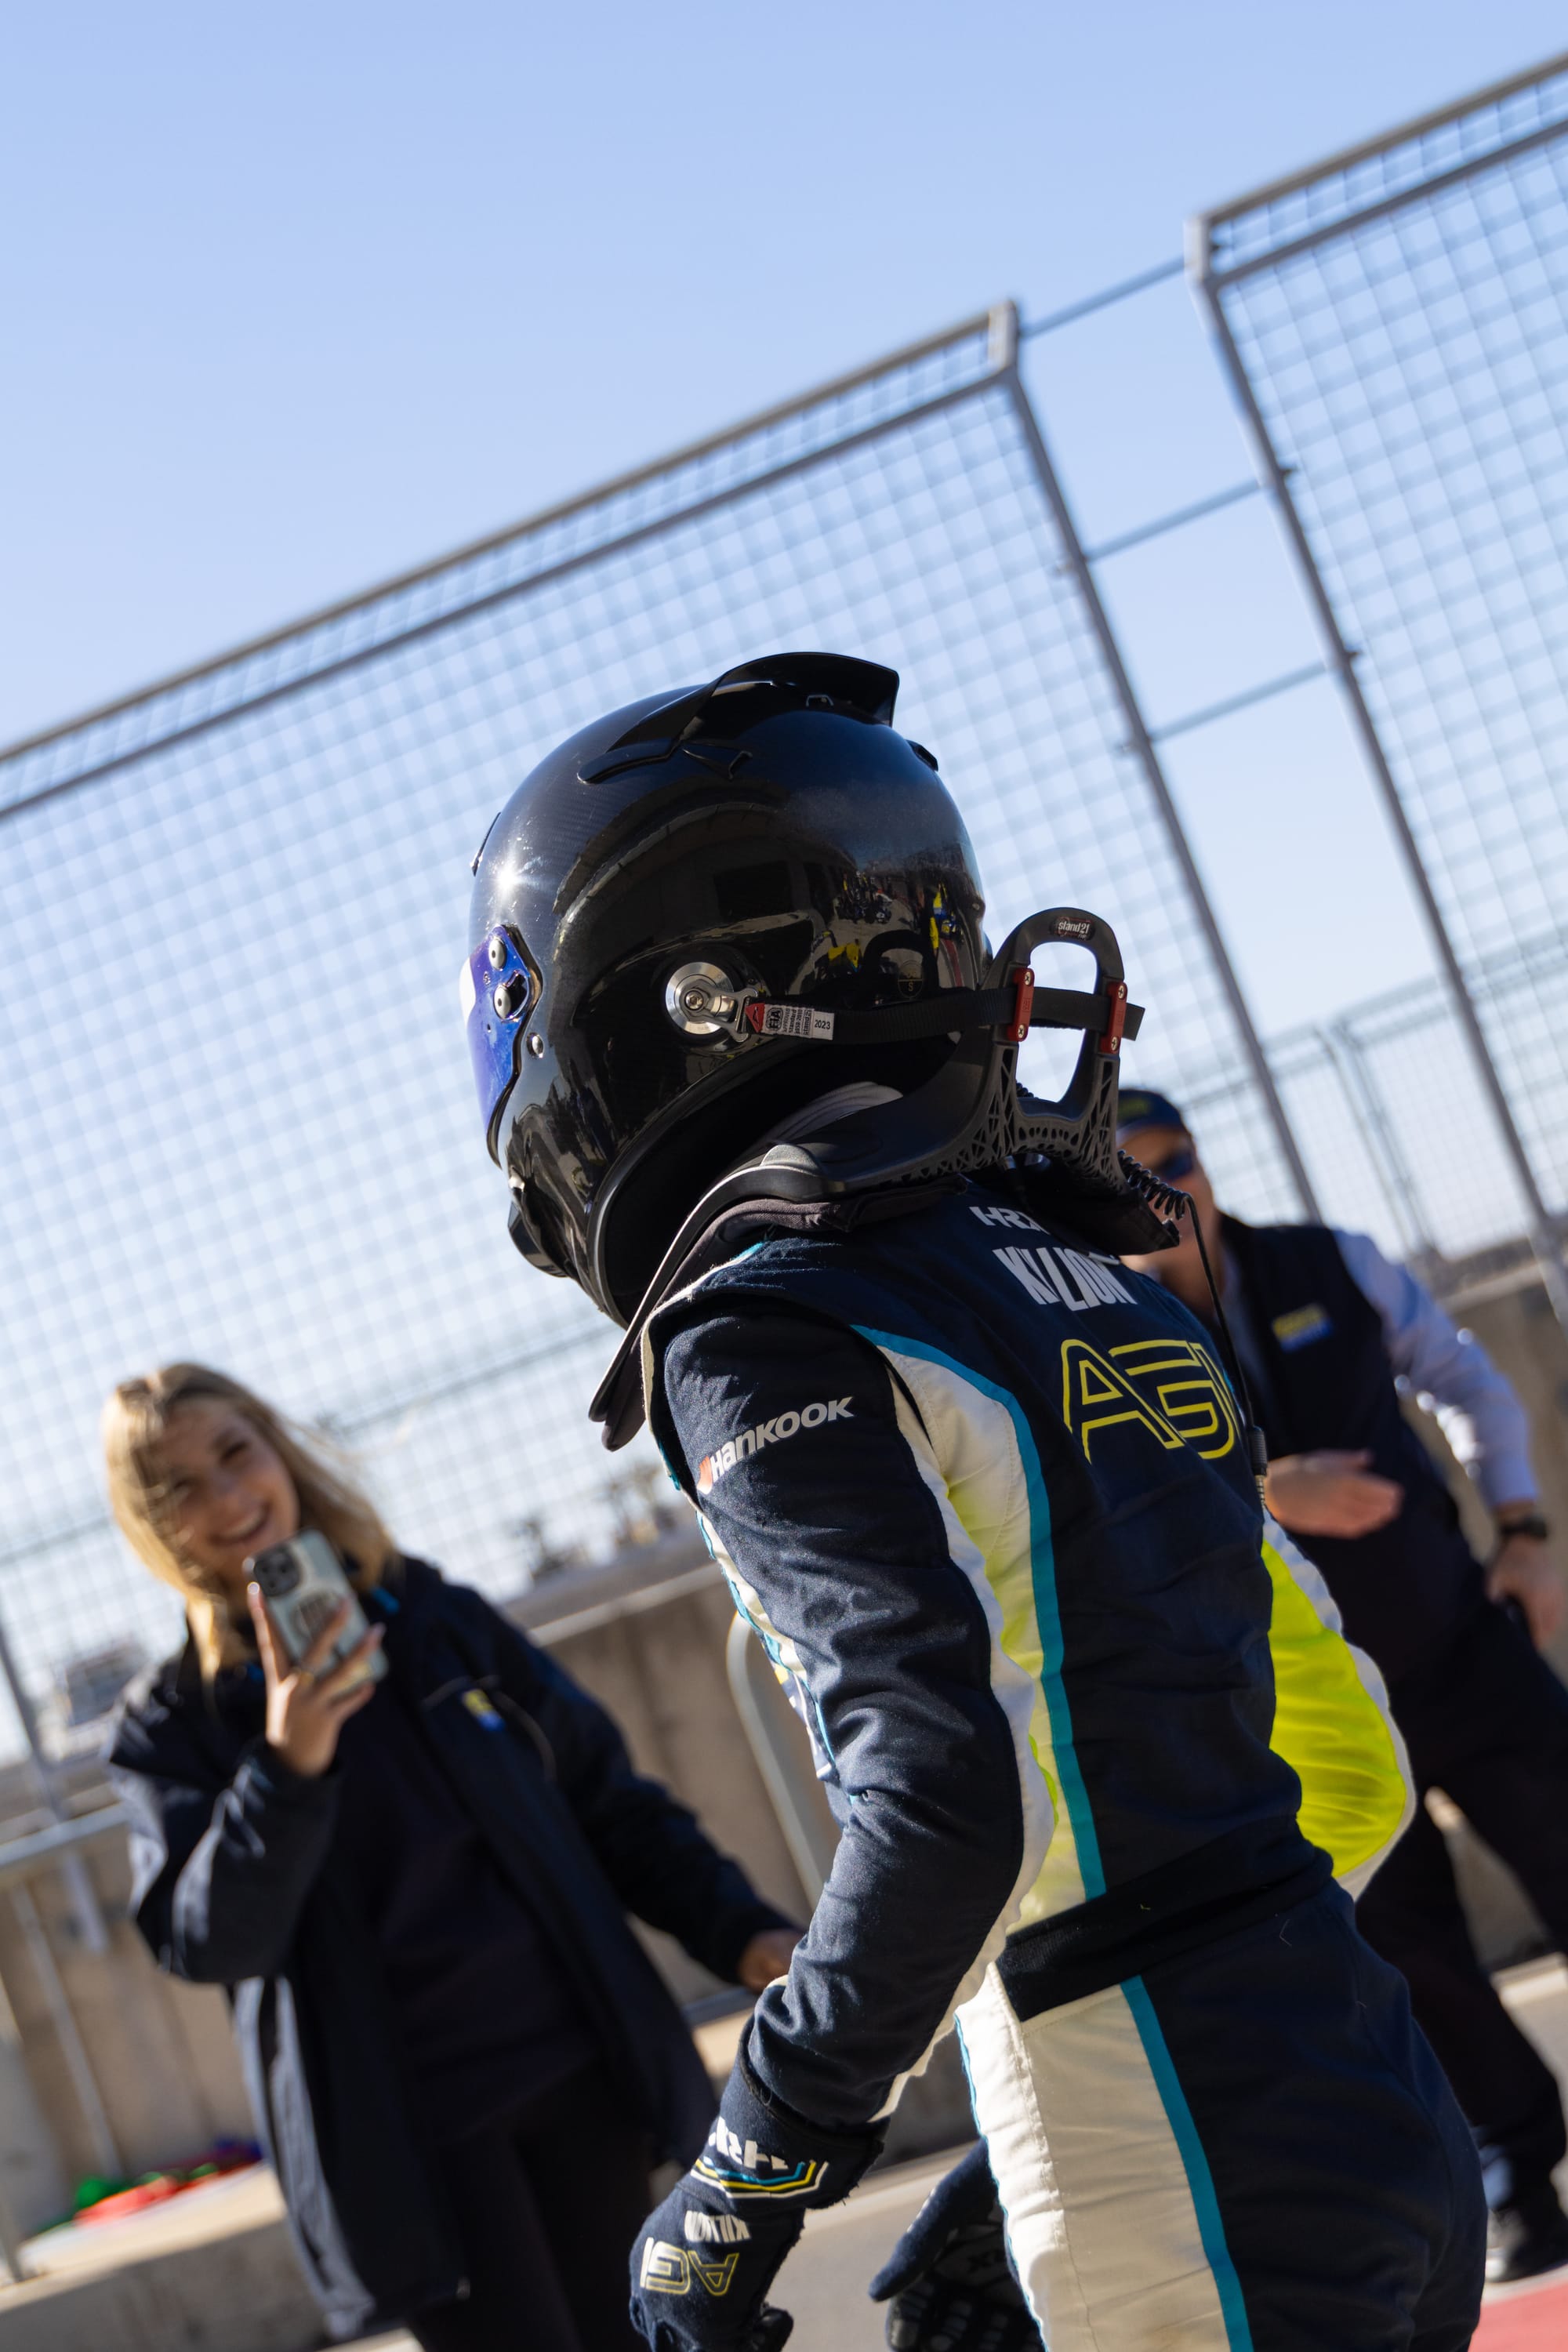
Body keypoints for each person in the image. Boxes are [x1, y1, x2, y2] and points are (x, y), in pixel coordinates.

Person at [459, 649, 1485, 2352]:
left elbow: (942, 1797)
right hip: (1369, 2084)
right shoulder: (1093, 1275)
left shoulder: (760, 1320)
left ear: (657, 1000)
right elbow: (1352, 1756)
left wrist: (749, 2174)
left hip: (1161, 2131)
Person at [103, 1363, 799, 2351]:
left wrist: (739, 1930)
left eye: (234, 1454)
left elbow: (605, 1800)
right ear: (151, 1527)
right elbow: (210, 1940)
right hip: (410, 2149)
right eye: (179, 1488)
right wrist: (287, 1766)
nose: (226, 1498)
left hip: (578, 2076)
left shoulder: (430, 1618)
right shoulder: (173, 1725)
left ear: (276, 1449)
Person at [1117, 1085, 1568, 2285]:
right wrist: (1273, 1489)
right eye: (1133, 1172)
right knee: (1413, 1954)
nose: (1167, 1189)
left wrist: (1523, 1530)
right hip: (1314, 1707)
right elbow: (1123, 1506)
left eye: (1178, 1159)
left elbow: (1467, 1380)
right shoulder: (1101, 1340)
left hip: (1461, 1647)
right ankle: (1519, 2171)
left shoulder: (1334, 1261)